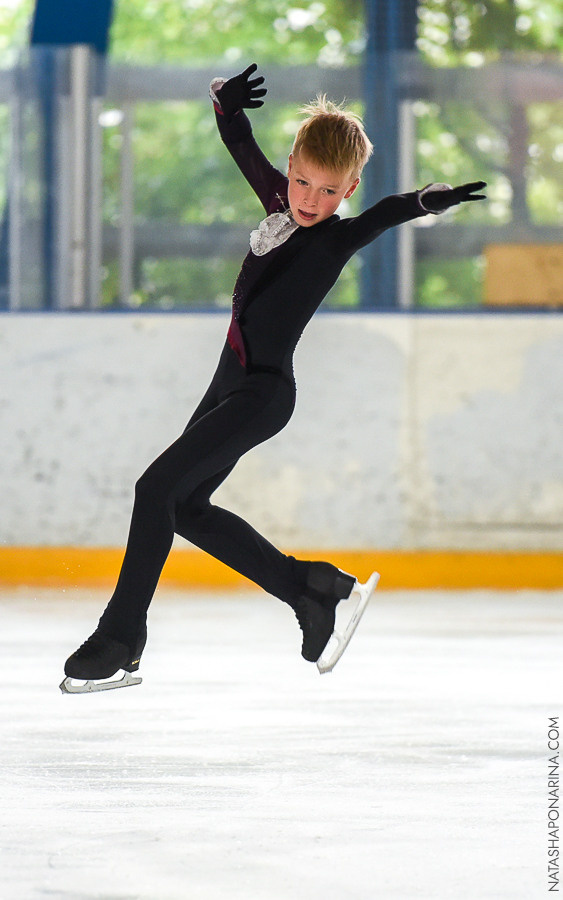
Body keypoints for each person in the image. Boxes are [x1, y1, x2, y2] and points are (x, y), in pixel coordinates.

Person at [61, 64, 486, 693]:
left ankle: (121, 637)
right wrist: (227, 108)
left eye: (329, 190)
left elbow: (389, 212)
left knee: (154, 489)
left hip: (261, 393)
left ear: (349, 188)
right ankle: (309, 590)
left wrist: (428, 200)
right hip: (226, 382)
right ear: (291, 167)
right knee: (182, 506)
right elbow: (239, 145)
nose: (310, 199)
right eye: (301, 181)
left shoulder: (335, 238)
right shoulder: (280, 207)